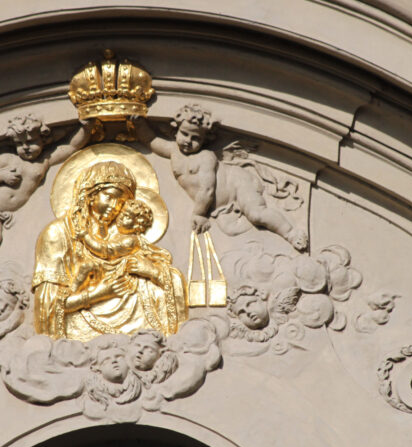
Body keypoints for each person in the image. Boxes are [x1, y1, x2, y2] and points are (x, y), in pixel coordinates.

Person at [32, 161, 188, 341]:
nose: (115, 206)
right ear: (90, 195)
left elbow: (163, 268)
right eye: (110, 197)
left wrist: (151, 271)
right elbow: (48, 304)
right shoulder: (58, 233)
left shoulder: (123, 235)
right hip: (84, 317)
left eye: (122, 202)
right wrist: (100, 293)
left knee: (157, 286)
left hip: (133, 320)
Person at [134, 104, 308, 250]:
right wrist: (138, 123)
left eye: (196, 138)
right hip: (222, 202)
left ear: (204, 141)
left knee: (256, 214)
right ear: (175, 132)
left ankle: (291, 233)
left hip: (237, 184)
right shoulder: (173, 151)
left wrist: (199, 214)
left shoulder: (205, 157)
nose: (188, 141)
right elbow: (152, 141)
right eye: (185, 134)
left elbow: (207, 189)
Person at [0, 115, 93, 286]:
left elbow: (71, 146)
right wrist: (2, 176)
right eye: (19, 144)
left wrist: (86, 127)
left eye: (31, 142)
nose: (25, 148)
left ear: (44, 140)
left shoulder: (44, 162)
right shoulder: (8, 159)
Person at [70, 199, 154, 293]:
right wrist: (102, 226)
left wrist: (86, 237)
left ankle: (72, 291)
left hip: (112, 267)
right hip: (106, 262)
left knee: (86, 266)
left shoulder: (130, 241)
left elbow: (105, 250)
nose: (121, 217)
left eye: (127, 217)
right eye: (122, 213)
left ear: (137, 225)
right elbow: (104, 240)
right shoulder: (120, 233)